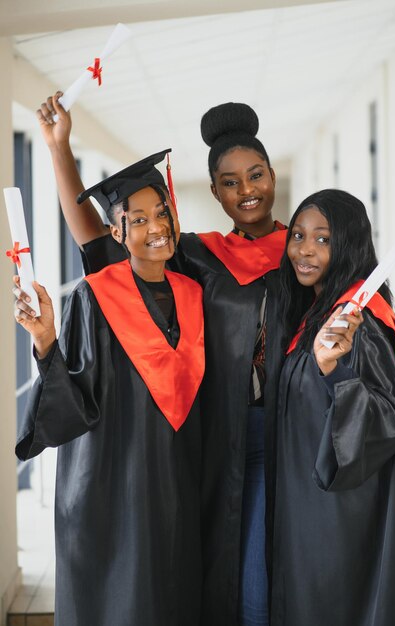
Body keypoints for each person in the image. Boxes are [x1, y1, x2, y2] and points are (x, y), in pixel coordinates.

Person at [35, 93, 287, 626]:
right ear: (215, 192)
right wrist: (59, 149)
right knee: (229, 577)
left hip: (291, 435)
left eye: (256, 175)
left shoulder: (306, 251)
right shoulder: (201, 256)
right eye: (229, 182)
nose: (246, 191)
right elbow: (101, 243)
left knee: (275, 575)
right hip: (218, 436)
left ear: (273, 173)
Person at [12, 151, 205, 626]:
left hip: (179, 481)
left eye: (161, 212)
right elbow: (74, 402)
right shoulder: (94, 298)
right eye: (137, 219)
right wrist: (45, 340)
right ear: (116, 233)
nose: (156, 225)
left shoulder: (194, 292)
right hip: (113, 487)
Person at [269, 189, 395, 626]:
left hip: (342, 511)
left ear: (348, 244)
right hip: (314, 500)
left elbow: (389, 420)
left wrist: (334, 371)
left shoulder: (358, 325)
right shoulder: (325, 311)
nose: (305, 250)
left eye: (323, 239)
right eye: (298, 235)